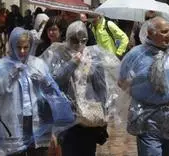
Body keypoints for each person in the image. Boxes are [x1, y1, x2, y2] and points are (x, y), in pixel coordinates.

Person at [40, 21, 121, 156]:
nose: (79, 44)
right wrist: (72, 63)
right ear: (67, 38)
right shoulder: (59, 54)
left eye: (83, 40)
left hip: (89, 116)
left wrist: (105, 111)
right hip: (68, 117)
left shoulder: (92, 56)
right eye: (74, 40)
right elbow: (54, 81)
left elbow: (101, 87)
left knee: (88, 151)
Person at [0, 27, 74, 156]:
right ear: (11, 45)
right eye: (19, 47)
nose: (22, 51)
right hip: (12, 124)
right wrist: (11, 76)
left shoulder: (38, 64)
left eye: (26, 47)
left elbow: (53, 93)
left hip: (37, 122)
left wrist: (45, 81)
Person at [118, 17, 169, 156]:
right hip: (147, 117)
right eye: (164, 32)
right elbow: (122, 82)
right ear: (151, 33)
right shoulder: (136, 54)